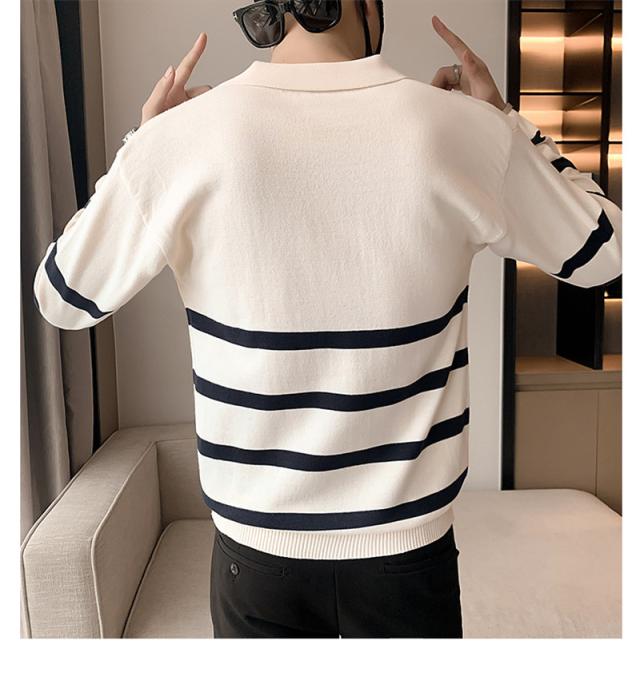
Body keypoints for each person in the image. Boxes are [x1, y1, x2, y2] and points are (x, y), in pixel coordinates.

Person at [32, 1, 622, 638]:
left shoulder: (181, 140)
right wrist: (506, 121)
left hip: (255, 551)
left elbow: (64, 295)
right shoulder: (463, 130)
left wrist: (142, 146)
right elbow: (607, 252)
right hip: (408, 546)